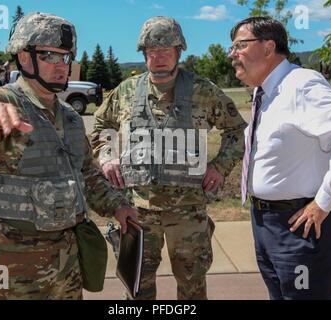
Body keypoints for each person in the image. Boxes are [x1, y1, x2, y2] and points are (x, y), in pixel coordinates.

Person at [0, 12, 137, 300]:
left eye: (66, 58)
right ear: (24, 57)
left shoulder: (71, 117)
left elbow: (87, 175)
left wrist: (117, 205)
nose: (61, 66)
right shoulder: (1, 101)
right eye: (51, 56)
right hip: (15, 261)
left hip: (67, 256)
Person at [91, 16, 247, 300]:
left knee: (192, 287)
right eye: (152, 51)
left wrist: (220, 166)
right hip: (137, 211)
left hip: (188, 212)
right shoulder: (125, 92)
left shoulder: (203, 91)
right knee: (137, 285)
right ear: (143, 53)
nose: (159, 57)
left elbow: (237, 130)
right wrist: (107, 154)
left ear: (179, 51)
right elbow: (101, 126)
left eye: (166, 50)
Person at [230, 16, 331, 300]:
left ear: (269, 47)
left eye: (240, 46)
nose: (232, 55)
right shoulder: (266, 92)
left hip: (297, 225)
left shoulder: (301, 85)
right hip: (266, 222)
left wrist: (322, 204)